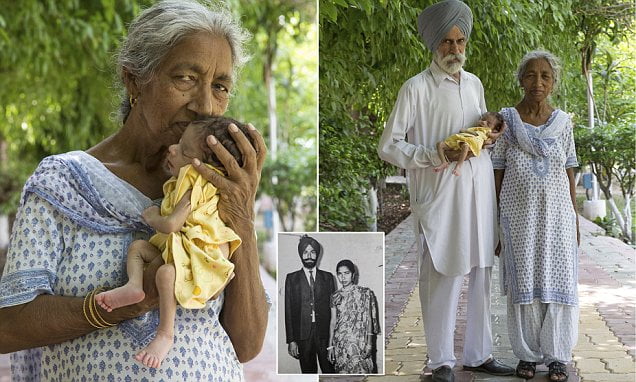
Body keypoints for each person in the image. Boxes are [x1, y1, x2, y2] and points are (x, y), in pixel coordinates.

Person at [0, 1, 268, 380]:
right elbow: (8, 325)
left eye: (220, 86)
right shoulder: (62, 182)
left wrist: (242, 214)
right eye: (186, 78)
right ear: (134, 80)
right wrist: (127, 303)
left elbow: (246, 344)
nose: (205, 105)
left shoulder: (215, 189)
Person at [377, 1, 514, 381]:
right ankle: (439, 362)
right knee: (444, 272)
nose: (454, 49)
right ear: (433, 45)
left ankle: (479, 353)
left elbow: (481, 131)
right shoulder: (415, 88)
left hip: (478, 191)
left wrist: (490, 132)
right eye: (447, 42)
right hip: (439, 194)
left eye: (460, 41)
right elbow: (389, 146)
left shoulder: (474, 84)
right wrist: (435, 151)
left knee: (481, 270)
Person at [94, 117, 254, 369]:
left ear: (201, 167)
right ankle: (134, 285)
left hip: (201, 260)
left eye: (184, 150)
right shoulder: (183, 186)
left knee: (166, 274)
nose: (173, 148)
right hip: (184, 250)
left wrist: (152, 216)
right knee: (139, 249)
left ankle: (165, 334)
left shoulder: (196, 189)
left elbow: (171, 225)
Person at [492, 50, 579, 382]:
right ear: (520, 79)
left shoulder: (563, 123)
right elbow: (496, 170)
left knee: (558, 283)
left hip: (557, 219)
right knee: (524, 283)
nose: (537, 82)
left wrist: (573, 218)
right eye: (530, 75)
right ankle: (527, 355)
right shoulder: (507, 121)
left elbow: (570, 169)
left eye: (545, 76)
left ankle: (557, 355)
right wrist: (496, 222)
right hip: (517, 218)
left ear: (553, 82)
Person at [284, 235, 336, 374]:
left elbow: (334, 310)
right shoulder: (292, 278)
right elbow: (288, 310)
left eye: (312, 252)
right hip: (302, 334)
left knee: (329, 370)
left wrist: (335, 337)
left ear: (317, 254)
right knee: (307, 372)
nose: (309, 256)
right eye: (305, 252)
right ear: (301, 254)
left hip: (324, 334)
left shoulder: (328, 278)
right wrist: (291, 340)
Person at [327, 260, 380, 374]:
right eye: (340, 274)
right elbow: (333, 322)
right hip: (340, 343)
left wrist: (369, 343)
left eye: (346, 273)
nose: (343, 277)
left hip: (359, 342)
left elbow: (369, 319)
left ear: (353, 274)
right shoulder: (335, 296)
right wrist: (330, 346)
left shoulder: (364, 293)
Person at [434, 112, 506, 176]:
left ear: (494, 130)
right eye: (483, 119)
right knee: (440, 144)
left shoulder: (487, 132)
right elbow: (462, 131)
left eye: (488, 123)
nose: (483, 122)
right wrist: (467, 131)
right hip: (459, 139)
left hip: (468, 144)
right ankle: (443, 162)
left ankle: (458, 166)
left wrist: (500, 133)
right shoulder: (475, 128)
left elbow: (493, 137)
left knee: (465, 147)